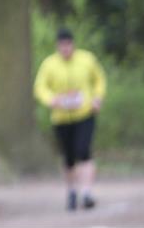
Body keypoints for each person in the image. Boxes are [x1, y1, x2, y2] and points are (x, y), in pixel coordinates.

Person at [33, 29, 106, 210]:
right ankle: (72, 191)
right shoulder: (49, 64)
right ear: (57, 46)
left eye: (68, 45)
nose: (65, 49)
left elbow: (99, 79)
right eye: (62, 46)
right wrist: (51, 100)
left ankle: (86, 193)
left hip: (85, 113)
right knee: (69, 157)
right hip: (61, 117)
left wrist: (97, 98)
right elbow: (40, 87)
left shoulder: (87, 59)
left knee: (84, 151)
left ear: (73, 44)